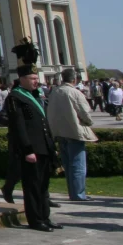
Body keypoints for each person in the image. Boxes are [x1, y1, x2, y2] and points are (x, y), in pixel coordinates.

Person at [4, 39, 60, 232]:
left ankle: (45, 216)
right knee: (33, 187)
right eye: (33, 79)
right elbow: (19, 127)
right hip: (31, 150)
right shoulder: (16, 98)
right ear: (22, 79)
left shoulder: (36, 97)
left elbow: (42, 123)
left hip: (44, 147)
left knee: (44, 186)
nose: (37, 81)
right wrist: (27, 149)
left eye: (37, 78)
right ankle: (35, 220)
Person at [45, 68, 97, 201]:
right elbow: (84, 112)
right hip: (74, 131)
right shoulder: (74, 92)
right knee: (78, 165)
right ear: (74, 79)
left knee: (68, 165)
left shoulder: (55, 92)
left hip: (60, 131)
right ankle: (79, 194)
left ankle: (73, 192)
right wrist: (89, 122)